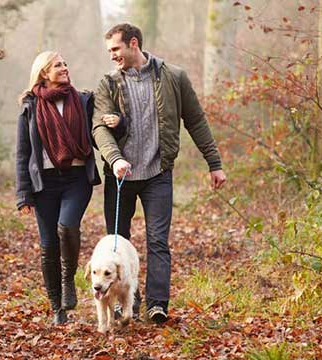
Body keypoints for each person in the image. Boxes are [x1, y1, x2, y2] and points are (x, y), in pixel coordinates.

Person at [92, 23, 226, 324]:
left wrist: (214, 163)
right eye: (109, 51)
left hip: (157, 174)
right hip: (120, 176)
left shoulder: (173, 77)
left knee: (157, 242)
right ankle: (121, 305)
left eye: (116, 49)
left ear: (134, 44)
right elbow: (99, 128)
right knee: (117, 243)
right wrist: (114, 159)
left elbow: (196, 120)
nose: (112, 56)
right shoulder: (108, 84)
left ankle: (156, 305)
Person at [15, 51, 101, 325]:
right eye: (58, 65)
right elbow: (22, 153)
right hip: (45, 184)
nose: (65, 68)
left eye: (65, 63)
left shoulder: (83, 100)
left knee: (67, 227)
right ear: (43, 73)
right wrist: (23, 194)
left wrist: (117, 124)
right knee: (48, 245)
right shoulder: (30, 106)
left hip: (77, 178)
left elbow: (101, 133)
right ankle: (57, 309)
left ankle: (69, 280)